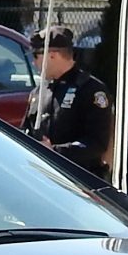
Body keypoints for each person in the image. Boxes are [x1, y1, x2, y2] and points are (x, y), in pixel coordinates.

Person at [26, 26, 112, 178]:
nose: (33, 63)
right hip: (42, 176)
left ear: (52, 55)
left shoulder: (90, 90)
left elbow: (97, 143)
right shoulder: (39, 92)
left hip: (79, 178)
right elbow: (26, 129)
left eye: (35, 56)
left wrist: (55, 151)